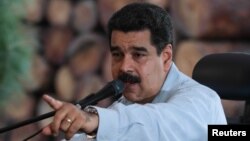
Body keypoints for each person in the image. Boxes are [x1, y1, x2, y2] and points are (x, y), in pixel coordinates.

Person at [42, 3, 227, 141]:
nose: (124, 67)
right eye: (117, 54)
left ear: (166, 57)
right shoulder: (124, 108)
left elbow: (157, 125)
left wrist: (96, 121)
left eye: (138, 54)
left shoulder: (202, 101)